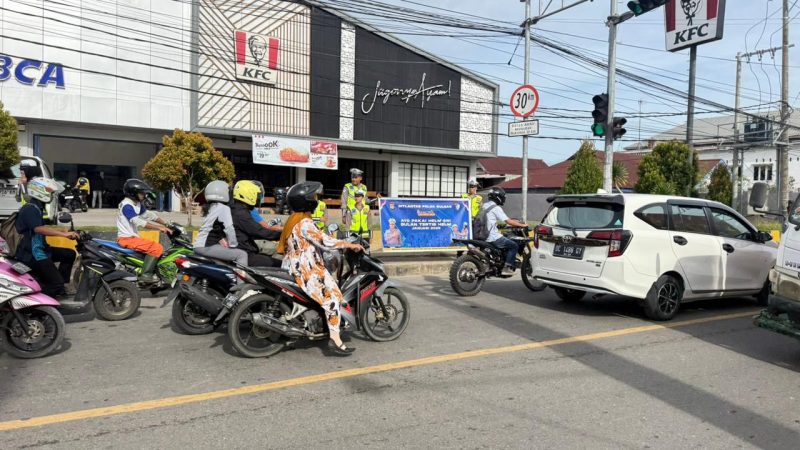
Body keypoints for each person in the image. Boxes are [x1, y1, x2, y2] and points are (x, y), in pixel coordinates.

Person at [279, 181, 364, 356]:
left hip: (308, 266)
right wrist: (348, 244)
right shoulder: (304, 223)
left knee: (337, 293)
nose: (316, 200)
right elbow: (325, 241)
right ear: (306, 201)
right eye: (314, 197)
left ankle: (329, 326)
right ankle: (335, 341)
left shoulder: (296, 218)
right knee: (331, 301)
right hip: (305, 269)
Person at [14, 177, 79, 297]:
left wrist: (64, 230)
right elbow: (38, 229)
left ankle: (61, 286)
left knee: (69, 254)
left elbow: (42, 226)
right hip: (34, 254)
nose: (52, 195)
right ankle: (38, 304)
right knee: (56, 284)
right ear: (39, 191)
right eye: (49, 191)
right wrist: (64, 234)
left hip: (41, 248)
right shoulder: (30, 209)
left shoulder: (37, 207)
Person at [116, 179, 173, 283]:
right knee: (156, 248)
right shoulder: (126, 205)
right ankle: (146, 275)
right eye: (141, 193)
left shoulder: (135, 204)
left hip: (133, 237)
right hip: (127, 239)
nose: (144, 195)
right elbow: (139, 222)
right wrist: (158, 228)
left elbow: (149, 215)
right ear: (133, 193)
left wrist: (165, 224)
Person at [193, 180, 248, 266]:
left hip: (200, 245)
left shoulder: (211, 207)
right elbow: (229, 228)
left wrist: (221, 239)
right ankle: (241, 280)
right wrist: (234, 245)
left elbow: (213, 228)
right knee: (242, 255)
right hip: (206, 246)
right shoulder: (223, 208)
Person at [230, 180, 282, 267]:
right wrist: (284, 235)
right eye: (257, 195)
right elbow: (260, 231)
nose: (258, 199)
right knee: (281, 266)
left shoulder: (237, 209)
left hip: (243, 251)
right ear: (249, 195)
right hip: (245, 255)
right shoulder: (241, 213)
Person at [482, 187, 528, 276]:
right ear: (498, 197)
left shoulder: (484, 205)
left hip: (481, 235)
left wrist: (497, 225)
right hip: (491, 236)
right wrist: (522, 225)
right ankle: (507, 267)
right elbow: (508, 221)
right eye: (503, 197)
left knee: (504, 238)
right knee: (513, 246)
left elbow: (488, 220)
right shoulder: (496, 208)